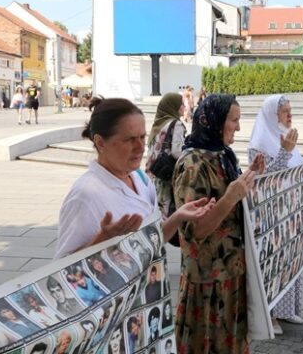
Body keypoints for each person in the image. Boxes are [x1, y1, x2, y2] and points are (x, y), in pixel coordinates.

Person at [172, 94, 264, 354]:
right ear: (213, 121)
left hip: (228, 271)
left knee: (224, 346)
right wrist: (231, 196)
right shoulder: (195, 163)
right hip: (207, 278)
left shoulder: (220, 154)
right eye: (234, 120)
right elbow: (194, 231)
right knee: (203, 349)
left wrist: (248, 178)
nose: (238, 127)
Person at [55, 97, 214, 260]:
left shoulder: (140, 179)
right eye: (129, 140)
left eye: (142, 137)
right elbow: (63, 268)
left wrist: (177, 217)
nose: (140, 147)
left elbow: (153, 241)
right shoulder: (85, 195)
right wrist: (103, 238)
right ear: (100, 143)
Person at [247, 94, 303, 333]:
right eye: (285, 112)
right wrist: (283, 152)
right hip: (272, 216)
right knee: (274, 266)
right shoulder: (259, 143)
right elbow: (263, 180)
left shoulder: (287, 140)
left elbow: (297, 170)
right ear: (273, 115)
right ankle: (270, 315)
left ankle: (287, 311)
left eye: (290, 111)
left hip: (293, 212)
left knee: (291, 261)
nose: (289, 116)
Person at [146, 93, 187, 218]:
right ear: (173, 106)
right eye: (181, 104)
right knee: (167, 215)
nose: (184, 107)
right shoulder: (177, 124)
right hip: (166, 177)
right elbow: (176, 152)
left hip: (153, 175)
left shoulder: (158, 124)